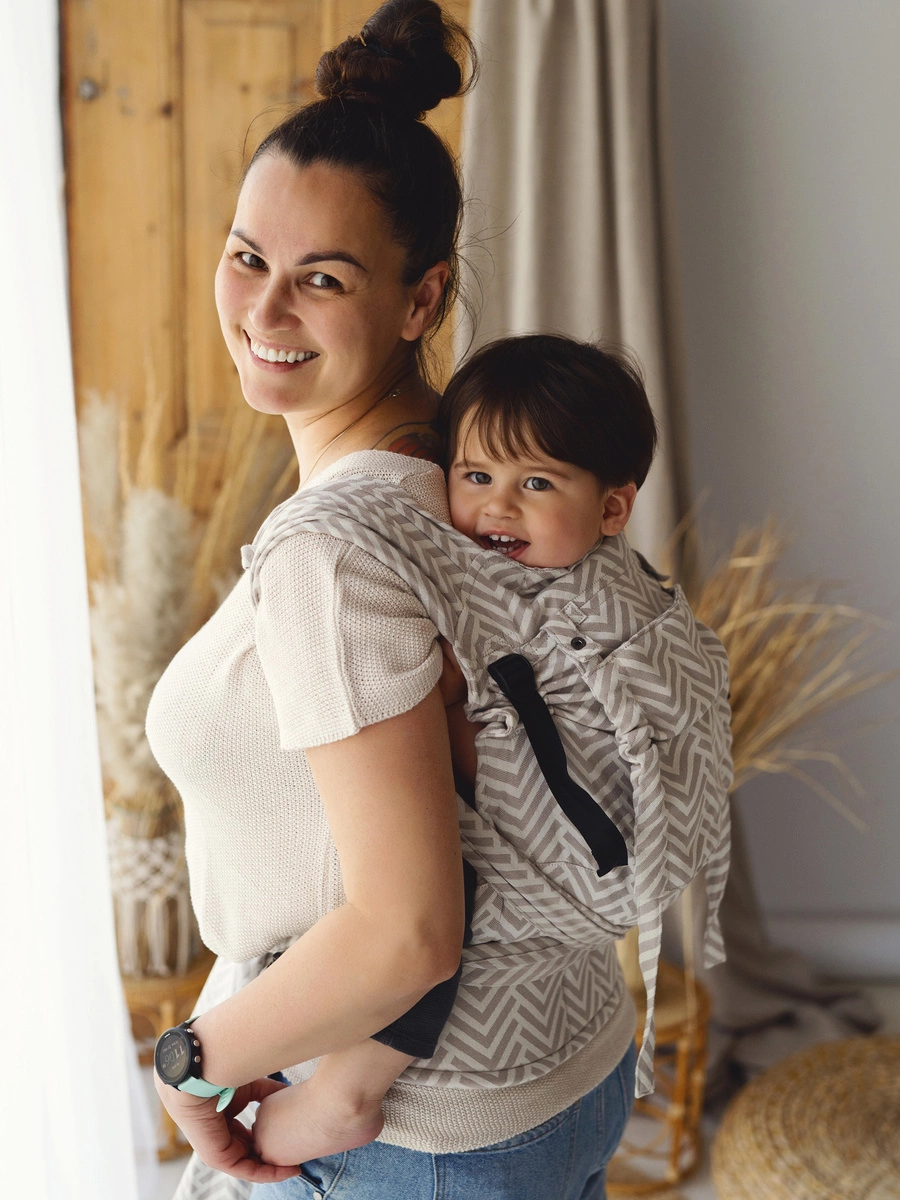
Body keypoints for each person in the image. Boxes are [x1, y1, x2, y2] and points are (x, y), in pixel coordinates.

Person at [146, 4, 654, 1198]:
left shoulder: (336, 552)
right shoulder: (476, 477)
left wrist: (190, 1062)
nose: (264, 312)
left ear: (422, 301)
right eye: (247, 257)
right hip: (567, 1065)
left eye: (321, 279)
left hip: (420, 1134)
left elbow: (406, 932)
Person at [249, 332, 657, 1169]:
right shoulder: (588, 572)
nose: (497, 508)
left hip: (559, 862)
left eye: (535, 484)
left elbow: (525, 739)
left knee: (439, 899)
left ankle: (348, 1090)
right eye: (475, 478)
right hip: (589, 1042)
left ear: (612, 509)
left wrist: (445, 694)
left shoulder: (571, 597)